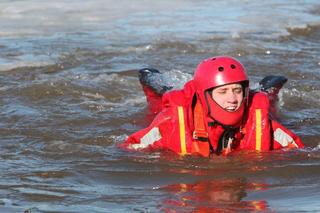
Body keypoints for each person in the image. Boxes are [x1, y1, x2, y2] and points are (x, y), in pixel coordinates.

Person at [121, 56, 304, 157]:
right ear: (204, 96)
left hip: (256, 99)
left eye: (237, 91)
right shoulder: (173, 120)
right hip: (182, 101)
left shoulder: (258, 117)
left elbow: (300, 150)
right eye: (223, 92)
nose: (232, 99)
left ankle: (267, 86)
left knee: (265, 100)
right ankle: (151, 79)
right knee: (160, 100)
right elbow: (129, 146)